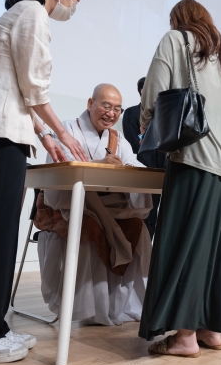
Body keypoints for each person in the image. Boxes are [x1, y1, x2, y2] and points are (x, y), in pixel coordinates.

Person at [0, 0, 88, 363]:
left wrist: (45, 136)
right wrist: (63, 134)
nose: (73, 9)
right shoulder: (32, 13)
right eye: (76, 1)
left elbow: (19, 88)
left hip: (3, 132)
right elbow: (33, 86)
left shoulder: (23, 12)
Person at [138, 0, 221, 357]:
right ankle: (210, 331)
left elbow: (153, 95)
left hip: (194, 160)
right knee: (215, 251)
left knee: (185, 247)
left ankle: (184, 338)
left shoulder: (175, 40)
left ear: (179, 20)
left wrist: (146, 126)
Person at [35, 84, 152, 325]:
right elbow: (61, 167)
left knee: (138, 228)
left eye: (117, 109)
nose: (111, 114)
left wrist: (128, 168)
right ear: (90, 103)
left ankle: (124, 304)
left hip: (108, 207)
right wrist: (100, 163)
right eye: (106, 106)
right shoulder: (67, 130)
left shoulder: (116, 138)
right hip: (67, 206)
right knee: (88, 227)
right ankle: (88, 308)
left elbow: (133, 163)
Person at [122, 77, 162, 239]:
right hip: (143, 172)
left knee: (158, 216)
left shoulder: (163, 116)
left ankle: (151, 251)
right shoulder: (131, 113)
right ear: (143, 91)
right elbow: (135, 143)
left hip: (164, 171)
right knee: (144, 215)